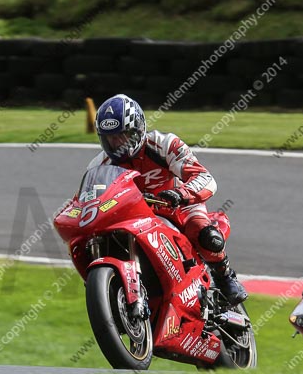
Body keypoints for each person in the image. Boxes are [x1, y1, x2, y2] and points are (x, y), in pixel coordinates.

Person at [89, 93, 247, 305]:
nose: (116, 143)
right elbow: (90, 200)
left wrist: (181, 194)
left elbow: (204, 177)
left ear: (138, 129)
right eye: (109, 138)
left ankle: (225, 276)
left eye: (122, 136)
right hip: (136, 218)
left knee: (205, 233)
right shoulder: (99, 166)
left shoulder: (164, 144)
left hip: (179, 207)